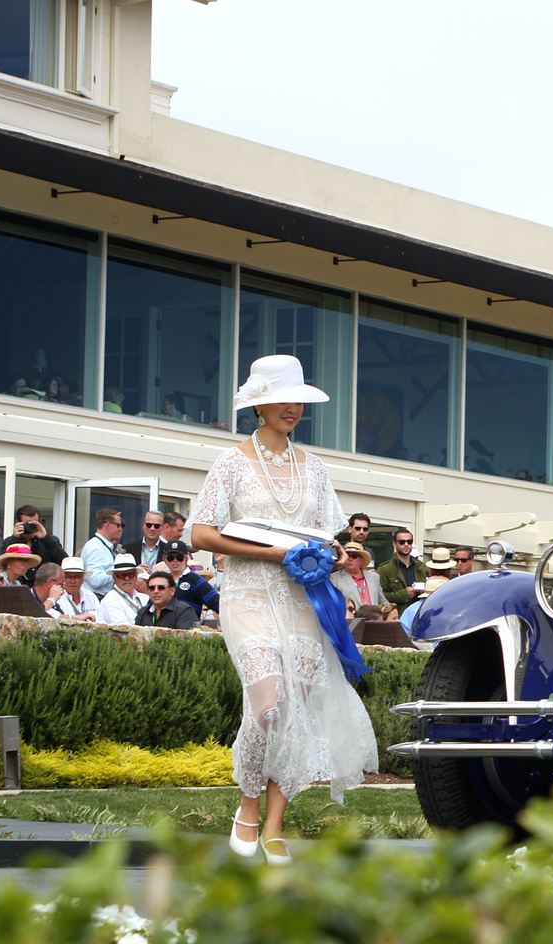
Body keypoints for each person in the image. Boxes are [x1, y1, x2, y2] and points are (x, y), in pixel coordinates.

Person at [187, 354, 377, 866]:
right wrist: (276, 553)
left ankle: (274, 824)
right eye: (282, 398)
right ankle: (247, 806)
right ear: (259, 404)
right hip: (247, 593)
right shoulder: (230, 462)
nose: (292, 407)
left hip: (302, 600)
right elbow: (201, 533)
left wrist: (336, 555)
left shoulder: (314, 467)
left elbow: (327, 537)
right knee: (268, 702)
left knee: (296, 710)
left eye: (298, 399)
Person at [330, 543, 389, 617]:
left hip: (374, 622)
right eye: (347, 555)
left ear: (362, 560)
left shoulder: (374, 577)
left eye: (354, 556)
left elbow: (382, 602)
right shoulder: (334, 578)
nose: (350, 559)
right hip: (350, 623)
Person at [377, 528, 427, 612]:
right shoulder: (385, 568)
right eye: (402, 542)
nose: (406, 544)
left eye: (409, 542)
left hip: (417, 613)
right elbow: (380, 596)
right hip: (397, 616)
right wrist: (403, 594)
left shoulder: (419, 566)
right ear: (394, 544)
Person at [80, 508, 127, 597]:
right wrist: (120, 572)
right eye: (118, 525)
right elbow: (94, 580)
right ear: (108, 525)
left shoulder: (103, 546)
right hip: (96, 598)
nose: (120, 529)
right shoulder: (96, 547)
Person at [163, 544, 219, 617]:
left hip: (188, 626)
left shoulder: (195, 579)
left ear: (186, 559)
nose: (175, 561)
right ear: (165, 560)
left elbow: (216, 602)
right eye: (170, 558)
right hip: (163, 626)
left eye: (179, 557)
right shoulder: (162, 580)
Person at [135, 571, 200, 630]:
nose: (156, 591)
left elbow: (186, 640)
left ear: (172, 590)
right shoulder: (142, 612)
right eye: (152, 588)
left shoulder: (184, 611)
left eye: (161, 587)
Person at [95, 554, 147, 624]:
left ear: (136, 575)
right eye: (122, 575)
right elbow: (122, 629)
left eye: (130, 574)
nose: (127, 578)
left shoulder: (145, 598)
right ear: (114, 577)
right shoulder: (110, 600)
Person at [125, 509, 170, 576]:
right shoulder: (128, 548)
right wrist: (136, 571)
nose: (152, 528)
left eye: (156, 526)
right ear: (143, 525)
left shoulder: (168, 550)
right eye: (149, 525)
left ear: (163, 527)